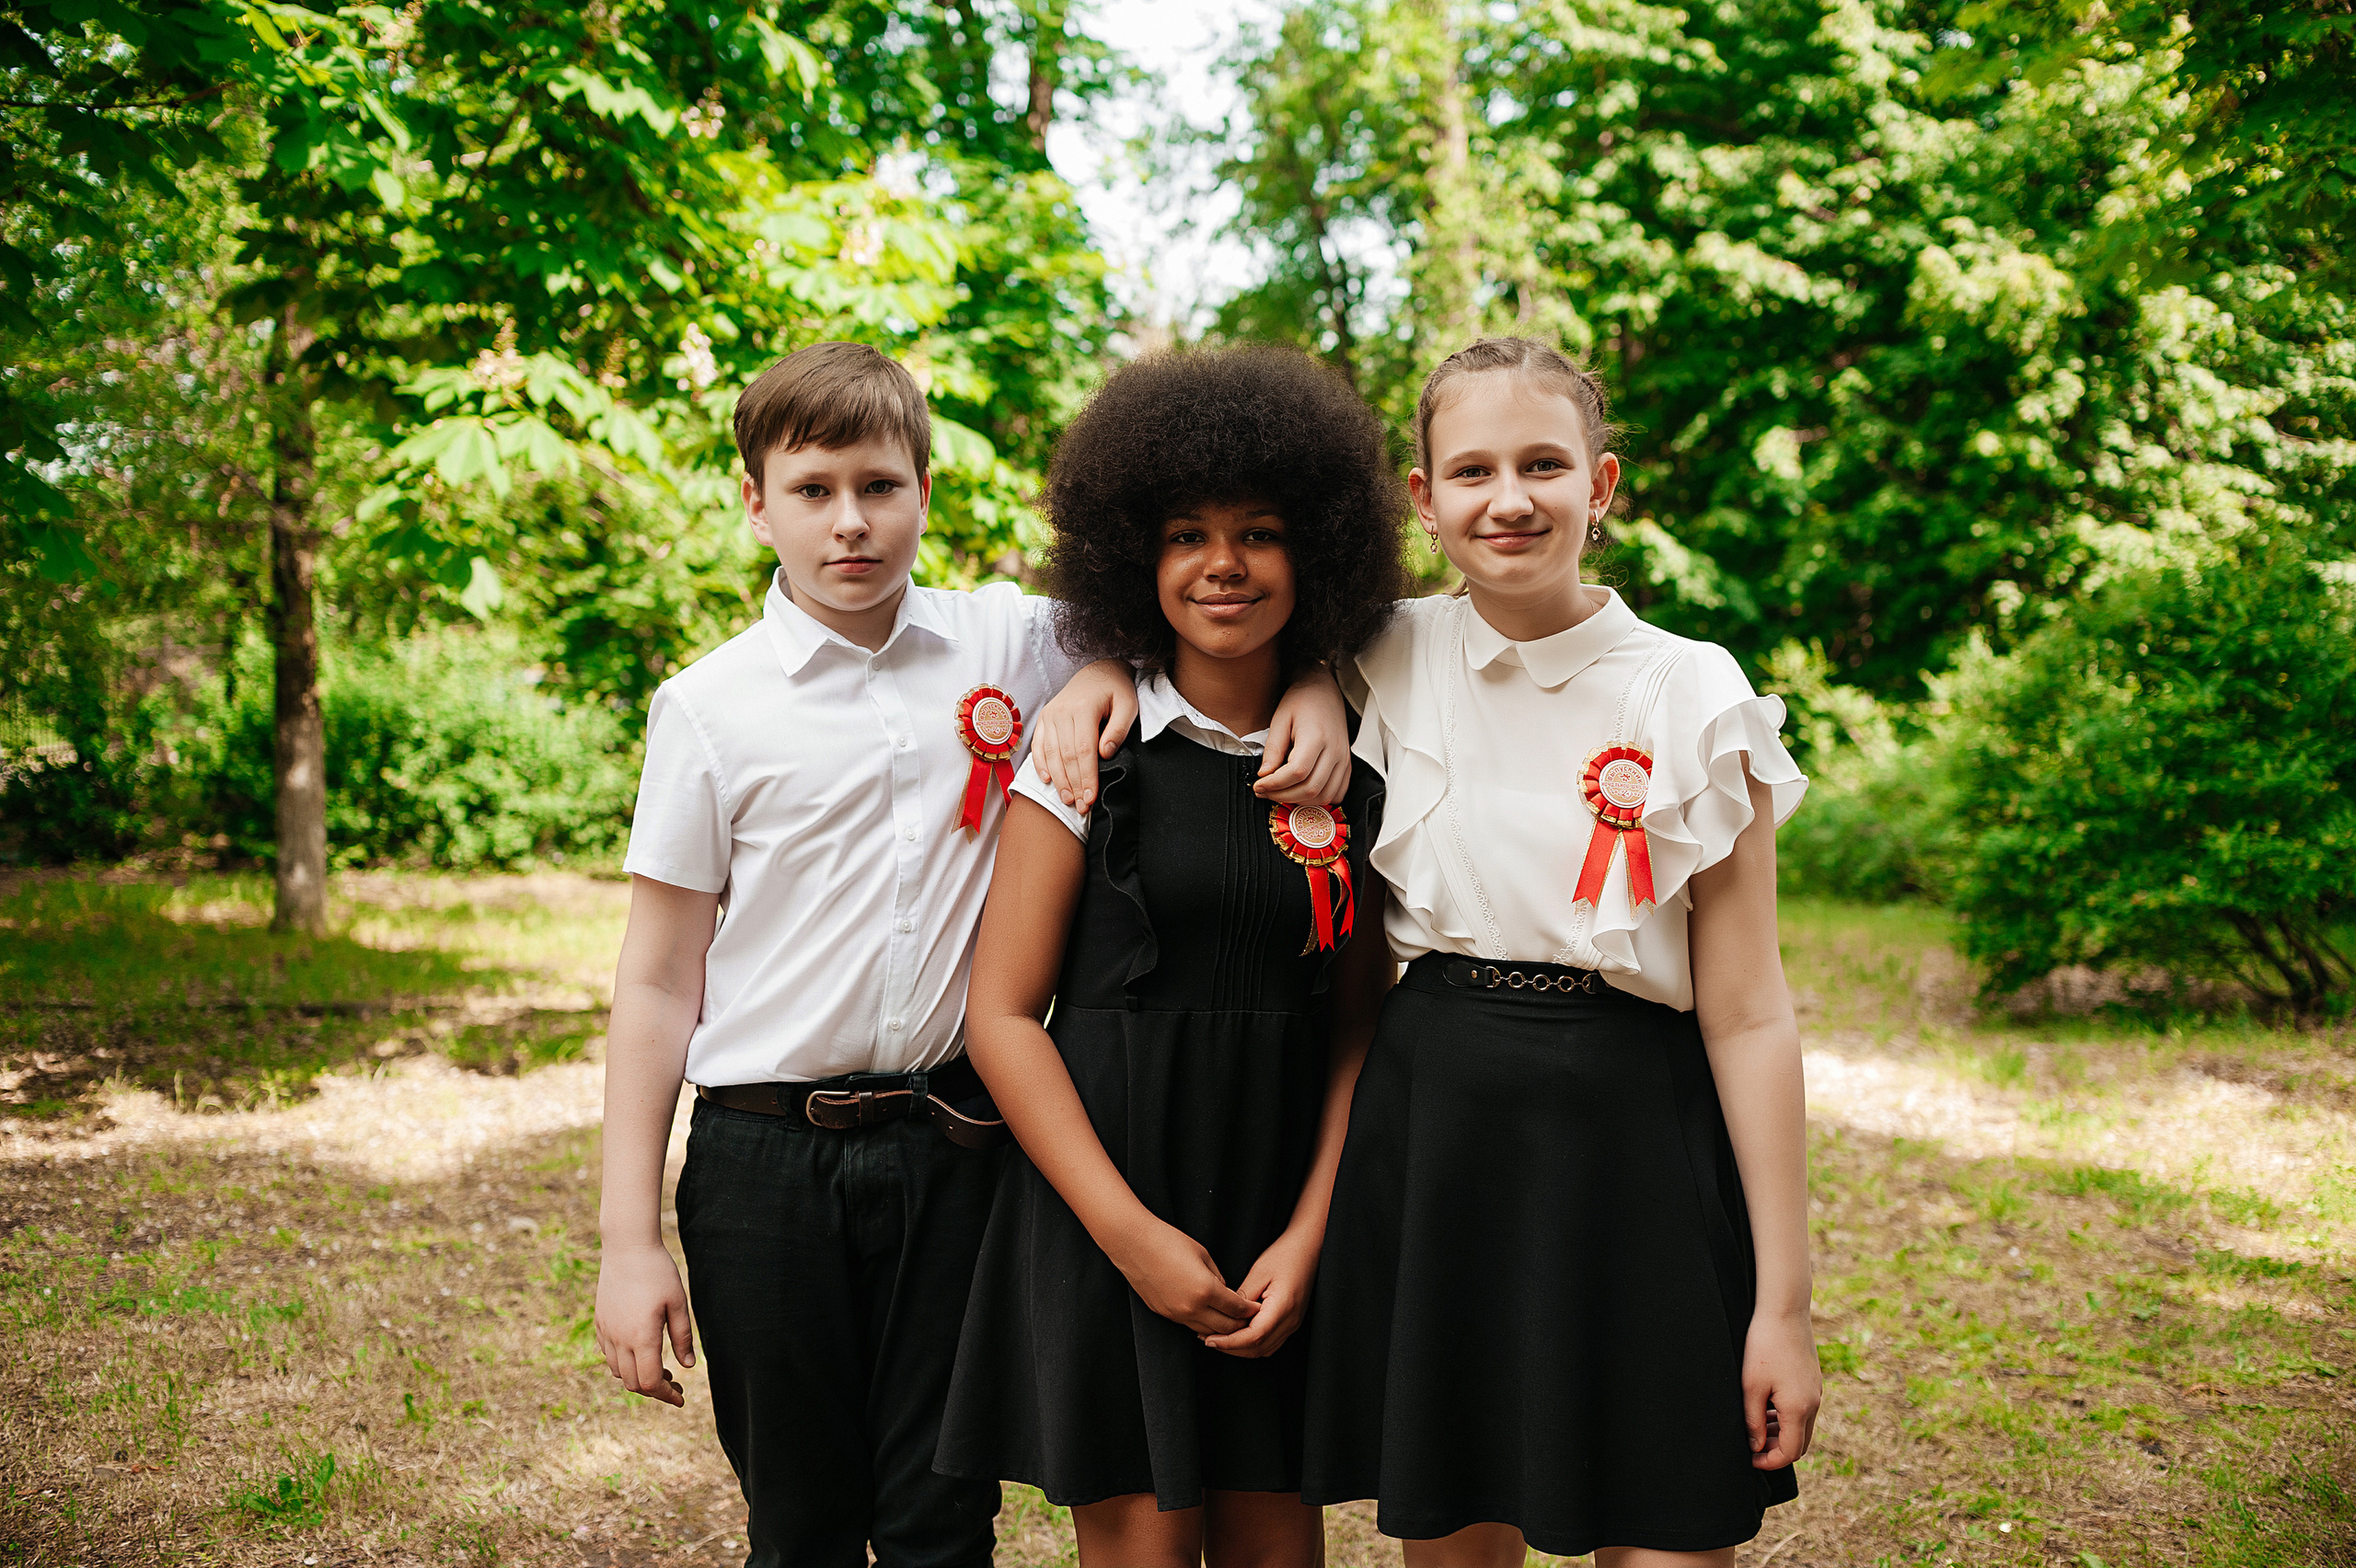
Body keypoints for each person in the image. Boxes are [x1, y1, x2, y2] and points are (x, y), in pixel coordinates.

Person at [593, 340, 1352, 1568]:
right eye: (814, 490)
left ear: (926, 492)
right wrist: (630, 1244)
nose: (852, 524)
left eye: (882, 487)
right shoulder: (709, 707)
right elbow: (654, 980)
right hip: (762, 1161)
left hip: (958, 1152)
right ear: (754, 502)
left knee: (944, 1518)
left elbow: (1203, 618)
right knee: (800, 1522)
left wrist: (1314, 681)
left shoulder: (1012, 638)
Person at [1300, 337, 1821, 1567]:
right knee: (1460, 1533)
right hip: (1441, 1130)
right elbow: (1184, 627)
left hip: (1638, 1137)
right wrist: (1095, 682)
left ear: (1604, 483)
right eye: (1471, 470)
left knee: (1667, 1530)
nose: (1511, 498)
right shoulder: (1376, 653)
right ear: (1423, 501)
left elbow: (1749, 1013)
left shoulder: (1697, 692)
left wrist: (1784, 1305)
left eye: (1545, 463)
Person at [934, 347, 1407, 1568]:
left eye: (1260, 532)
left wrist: (1311, 1234)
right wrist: (1129, 1236)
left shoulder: (1352, 773)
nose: (1224, 565)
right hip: (1110, 1206)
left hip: (1272, 1220)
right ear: (1135, 559)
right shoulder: (1088, 751)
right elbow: (1001, 1017)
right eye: (1187, 533)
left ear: (1320, 553)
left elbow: (1359, 1025)